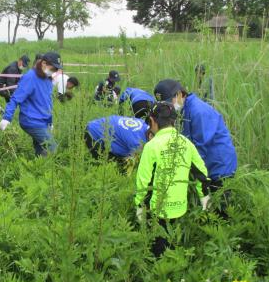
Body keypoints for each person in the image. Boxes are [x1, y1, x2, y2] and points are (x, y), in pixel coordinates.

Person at [135, 102, 210, 257]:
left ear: (153, 120)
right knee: (174, 244)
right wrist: (205, 198)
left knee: (157, 250)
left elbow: (144, 181)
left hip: (157, 210)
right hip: (180, 209)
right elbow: (200, 174)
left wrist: (140, 206)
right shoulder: (186, 143)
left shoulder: (152, 146)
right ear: (174, 121)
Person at [154, 79, 236, 218]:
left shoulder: (198, 111)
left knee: (221, 211)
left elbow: (200, 148)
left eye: (170, 102)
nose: (170, 107)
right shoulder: (185, 110)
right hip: (207, 166)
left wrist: (181, 170)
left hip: (219, 166)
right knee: (209, 209)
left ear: (180, 94)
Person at [0, 52, 61, 157]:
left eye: (56, 69)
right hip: (31, 121)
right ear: (44, 63)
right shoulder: (30, 77)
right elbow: (15, 98)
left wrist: (50, 122)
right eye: (53, 68)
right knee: (52, 147)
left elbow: (47, 103)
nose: (54, 71)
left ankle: (39, 170)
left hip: (43, 121)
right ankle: (50, 170)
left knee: (41, 150)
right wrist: (6, 118)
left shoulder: (48, 79)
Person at [85, 115, 150, 170]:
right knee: (105, 168)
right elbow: (138, 165)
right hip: (94, 134)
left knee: (119, 162)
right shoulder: (137, 143)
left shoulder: (145, 124)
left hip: (97, 125)